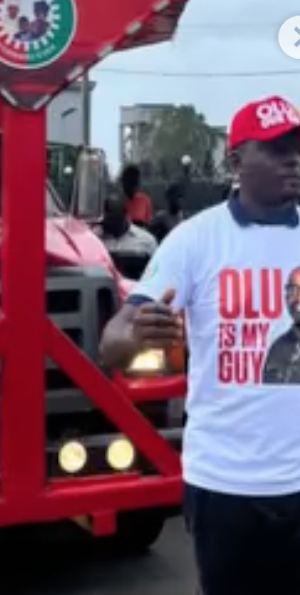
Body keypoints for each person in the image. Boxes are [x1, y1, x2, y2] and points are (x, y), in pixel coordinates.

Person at [100, 95, 300, 593]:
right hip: (223, 483)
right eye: (276, 149)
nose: (293, 159)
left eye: (298, 146)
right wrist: (136, 333)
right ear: (236, 161)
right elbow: (112, 342)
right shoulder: (195, 241)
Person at [99, 192, 158, 268]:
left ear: (124, 215)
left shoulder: (147, 241)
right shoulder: (95, 239)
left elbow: (156, 270)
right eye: (107, 217)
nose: (109, 222)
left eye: (114, 217)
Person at [120, 162, 153, 227]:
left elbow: (148, 224)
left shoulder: (145, 200)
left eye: (136, 183)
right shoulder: (118, 202)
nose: (135, 186)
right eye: (129, 183)